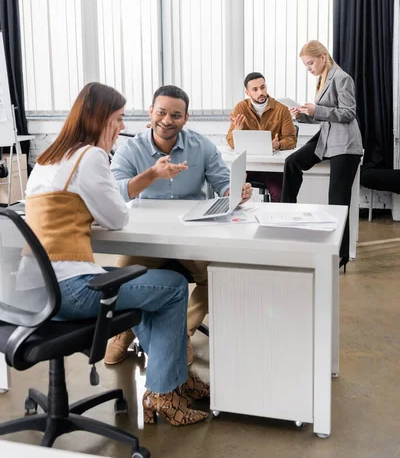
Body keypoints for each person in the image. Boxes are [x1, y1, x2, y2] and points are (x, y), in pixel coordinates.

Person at [25, 82, 209, 426]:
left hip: (35, 291)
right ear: (99, 119)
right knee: (169, 286)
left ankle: (176, 378)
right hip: (68, 290)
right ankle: (165, 393)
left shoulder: (48, 157)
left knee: (140, 282)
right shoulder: (91, 156)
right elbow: (117, 217)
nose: (123, 127)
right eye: (118, 118)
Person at [105, 84, 253, 366]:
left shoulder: (202, 146)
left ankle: (180, 333)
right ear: (150, 112)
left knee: (221, 276)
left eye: (176, 115)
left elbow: (223, 183)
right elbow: (116, 191)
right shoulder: (131, 149)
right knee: (118, 280)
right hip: (146, 237)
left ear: (186, 118)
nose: (167, 120)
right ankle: (125, 330)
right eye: (161, 112)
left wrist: (234, 194)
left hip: (193, 234)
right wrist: (152, 174)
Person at [281, 41, 363, 271]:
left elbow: (348, 113)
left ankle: (340, 254)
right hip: (326, 138)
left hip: (345, 144)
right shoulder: (323, 79)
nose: (309, 69)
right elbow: (323, 116)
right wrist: (301, 114)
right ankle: (285, 214)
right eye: (306, 65)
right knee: (292, 163)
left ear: (323, 57)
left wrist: (317, 110)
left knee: (338, 199)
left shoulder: (341, 78)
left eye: (310, 63)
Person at [226, 72, 297, 201]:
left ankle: (279, 220)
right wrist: (237, 130)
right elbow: (230, 142)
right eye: (255, 89)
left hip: (271, 167)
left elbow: (291, 139)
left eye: (263, 87)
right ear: (247, 93)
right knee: (232, 190)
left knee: (279, 194)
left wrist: (278, 144)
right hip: (248, 165)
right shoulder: (240, 108)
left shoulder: (282, 110)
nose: (260, 92)